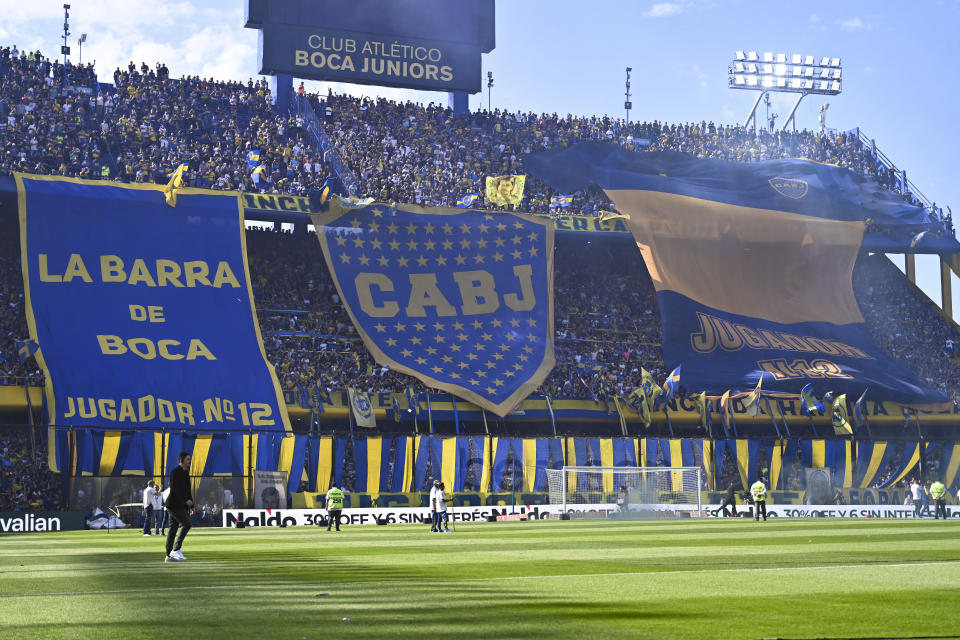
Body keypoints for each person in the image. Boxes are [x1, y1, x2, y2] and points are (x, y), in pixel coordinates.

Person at [164, 452, 194, 563]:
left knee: (173, 529)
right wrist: (186, 501)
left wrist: (191, 505)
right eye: (187, 459)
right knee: (187, 524)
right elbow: (176, 489)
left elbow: (187, 491)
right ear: (181, 460)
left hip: (180, 505)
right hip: (173, 505)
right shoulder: (175, 472)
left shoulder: (186, 473)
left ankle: (169, 556)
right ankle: (176, 549)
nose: (189, 461)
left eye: (189, 459)